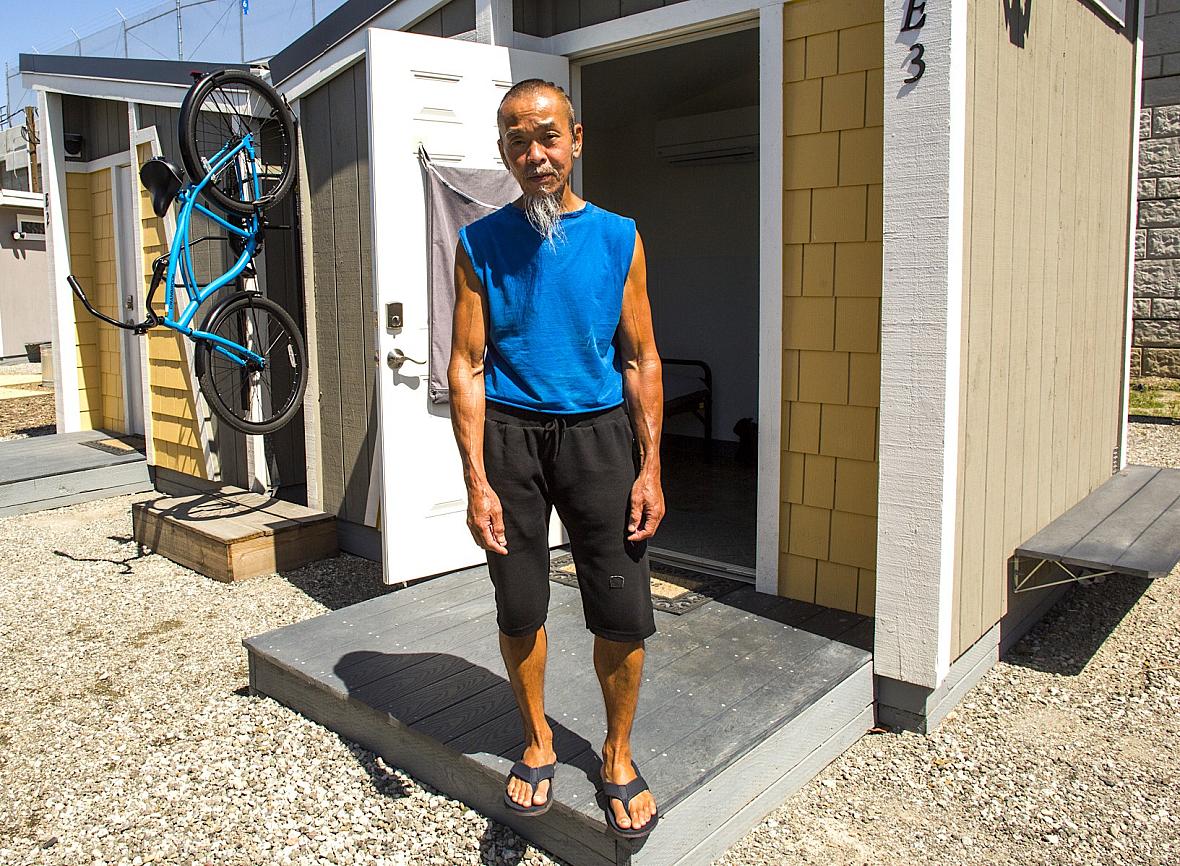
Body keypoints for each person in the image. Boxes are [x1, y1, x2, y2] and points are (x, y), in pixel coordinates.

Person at [447, 78, 664, 839]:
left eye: (548, 135)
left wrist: (650, 467)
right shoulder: (479, 243)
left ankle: (615, 751)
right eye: (516, 139)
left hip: (601, 437)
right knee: (520, 601)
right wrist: (476, 479)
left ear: (577, 139)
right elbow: (467, 363)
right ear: (503, 150)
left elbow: (640, 355)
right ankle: (537, 738)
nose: (534, 153)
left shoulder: (619, 236)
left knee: (621, 606)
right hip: (511, 440)